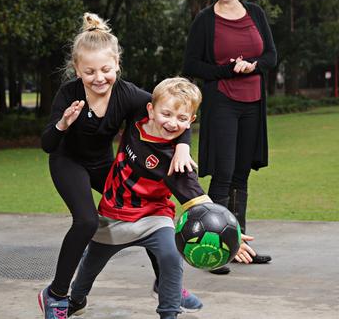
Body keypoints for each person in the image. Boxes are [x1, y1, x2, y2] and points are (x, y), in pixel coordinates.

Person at [38, 13, 200, 319]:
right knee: (86, 222)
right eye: (90, 72)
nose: (99, 78)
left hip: (103, 164)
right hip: (67, 161)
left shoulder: (127, 94)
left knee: (151, 205)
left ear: (117, 65)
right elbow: (48, 143)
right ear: (77, 70)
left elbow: (173, 108)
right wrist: (62, 123)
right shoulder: (68, 94)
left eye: (106, 69)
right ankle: (56, 294)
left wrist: (182, 145)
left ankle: (167, 283)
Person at [66, 77, 257, 319]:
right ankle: (76, 299)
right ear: (150, 110)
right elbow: (118, 89)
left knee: (170, 256)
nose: (172, 122)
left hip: (154, 217)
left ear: (191, 122)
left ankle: (169, 312)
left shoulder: (177, 163)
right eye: (166, 114)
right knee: (89, 266)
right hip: (114, 214)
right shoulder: (136, 117)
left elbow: (200, 201)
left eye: (182, 119)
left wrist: (230, 236)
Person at [182, 0, 277, 275]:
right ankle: (216, 250)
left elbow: (271, 55)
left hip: (252, 102)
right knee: (222, 175)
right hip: (222, 100)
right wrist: (225, 70)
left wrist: (254, 65)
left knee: (241, 175)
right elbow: (191, 66)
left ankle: (240, 246)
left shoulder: (256, 13)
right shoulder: (205, 20)